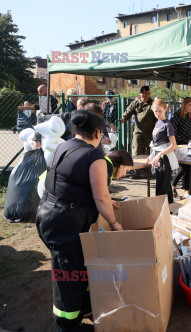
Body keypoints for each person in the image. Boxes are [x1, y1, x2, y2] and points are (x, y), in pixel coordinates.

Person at [35, 110, 123, 331]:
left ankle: (84, 306)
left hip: (48, 214)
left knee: (77, 265)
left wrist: (103, 202)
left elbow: (72, 183)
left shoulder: (64, 145)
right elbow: (101, 195)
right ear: (97, 132)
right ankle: (67, 323)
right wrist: (114, 223)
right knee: (67, 275)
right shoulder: (95, 156)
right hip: (64, 222)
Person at [147, 99, 178, 204]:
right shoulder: (157, 123)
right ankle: (169, 210)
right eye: (155, 111)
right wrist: (152, 155)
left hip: (165, 158)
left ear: (165, 109)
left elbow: (173, 145)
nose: (157, 113)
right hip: (157, 157)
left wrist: (159, 154)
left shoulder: (167, 124)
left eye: (160, 111)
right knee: (165, 186)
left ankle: (161, 211)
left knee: (162, 187)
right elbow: (156, 143)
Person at [120, 86, 156, 156]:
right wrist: (123, 119)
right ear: (140, 94)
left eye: (146, 93)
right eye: (143, 93)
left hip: (150, 132)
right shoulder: (135, 103)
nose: (144, 95)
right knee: (136, 152)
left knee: (152, 153)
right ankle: (137, 166)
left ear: (149, 93)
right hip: (138, 131)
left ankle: (150, 167)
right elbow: (128, 112)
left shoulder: (153, 103)